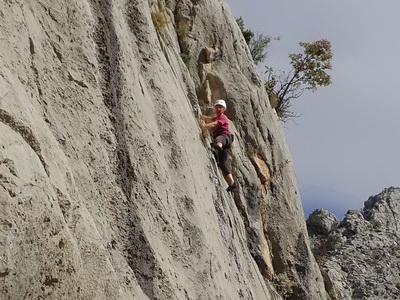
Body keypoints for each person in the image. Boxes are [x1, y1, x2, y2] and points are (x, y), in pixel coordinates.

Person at [200, 99, 237, 192]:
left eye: (221, 107)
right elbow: (209, 119)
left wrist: (203, 126)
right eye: (217, 107)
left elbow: (214, 124)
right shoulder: (216, 117)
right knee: (222, 164)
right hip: (226, 146)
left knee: (218, 139)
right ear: (215, 108)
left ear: (224, 109)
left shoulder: (223, 118)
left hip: (225, 137)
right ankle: (232, 184)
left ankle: (218, 147)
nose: (219, 109)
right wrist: (200, 116)